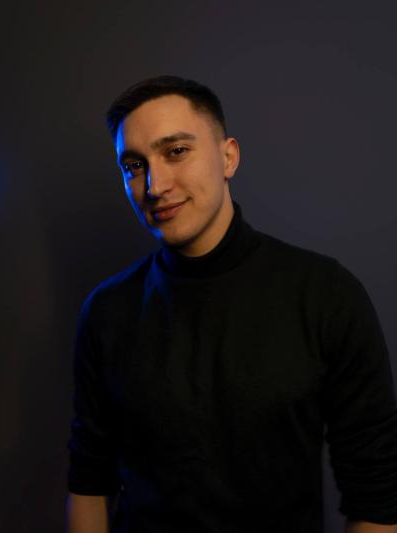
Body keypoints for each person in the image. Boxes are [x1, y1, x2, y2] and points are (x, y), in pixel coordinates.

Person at [66, 75, 397, 533]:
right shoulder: (107, 311)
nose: (154, 185)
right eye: (134, 165)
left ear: (228, 157)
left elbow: (377, 492)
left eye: (176, 151)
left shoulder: (326, 295)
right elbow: (89, 479)